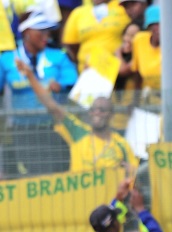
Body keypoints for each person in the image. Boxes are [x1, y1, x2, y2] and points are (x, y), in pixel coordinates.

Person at [16, 59, 139, 174]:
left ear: (111, 114)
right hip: (81, 196)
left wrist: (130, 172)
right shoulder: (78, 132)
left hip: (109, 196)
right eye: (93, 109)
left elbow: (135, 173)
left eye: (102, 110)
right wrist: (30, 76)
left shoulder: (121, 144)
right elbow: (52, 106)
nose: (97, 113)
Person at [0, 9, 76, 176]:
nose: (46, 35)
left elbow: (73, 81)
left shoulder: (58, 56)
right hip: (22, 131)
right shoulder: (7, 59)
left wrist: (61, 85)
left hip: (55, 128)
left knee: (56, 176)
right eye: (41, 30)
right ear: (26, 32)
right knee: (30, 178)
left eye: (48, 30)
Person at [132, 5, 172, 105]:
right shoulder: (139, 40)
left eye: (164, 24)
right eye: (156, 24)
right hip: (148, 100)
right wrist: (135, 101)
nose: (160, 28)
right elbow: (136, 73)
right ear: (149, 27)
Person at [61, 0, 131, 72]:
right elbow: (71, 44)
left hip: (119, 69)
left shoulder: (123, 6)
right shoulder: (78, 12)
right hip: (88, 71)